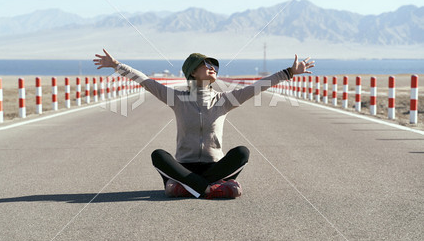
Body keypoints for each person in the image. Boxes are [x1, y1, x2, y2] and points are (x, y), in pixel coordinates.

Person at [94, 50, 314, 199]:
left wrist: (289, 73)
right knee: (158, 155)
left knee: (242, 152)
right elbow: (146, 81)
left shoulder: (224, 100)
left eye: (214, 66)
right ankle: (211, 189)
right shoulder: (177, 98)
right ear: (192, 71)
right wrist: (116, 65)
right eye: (206, 64)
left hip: (215, 168)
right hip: (184, 167)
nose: (213, 68)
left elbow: (258, 86)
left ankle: (189, 188)